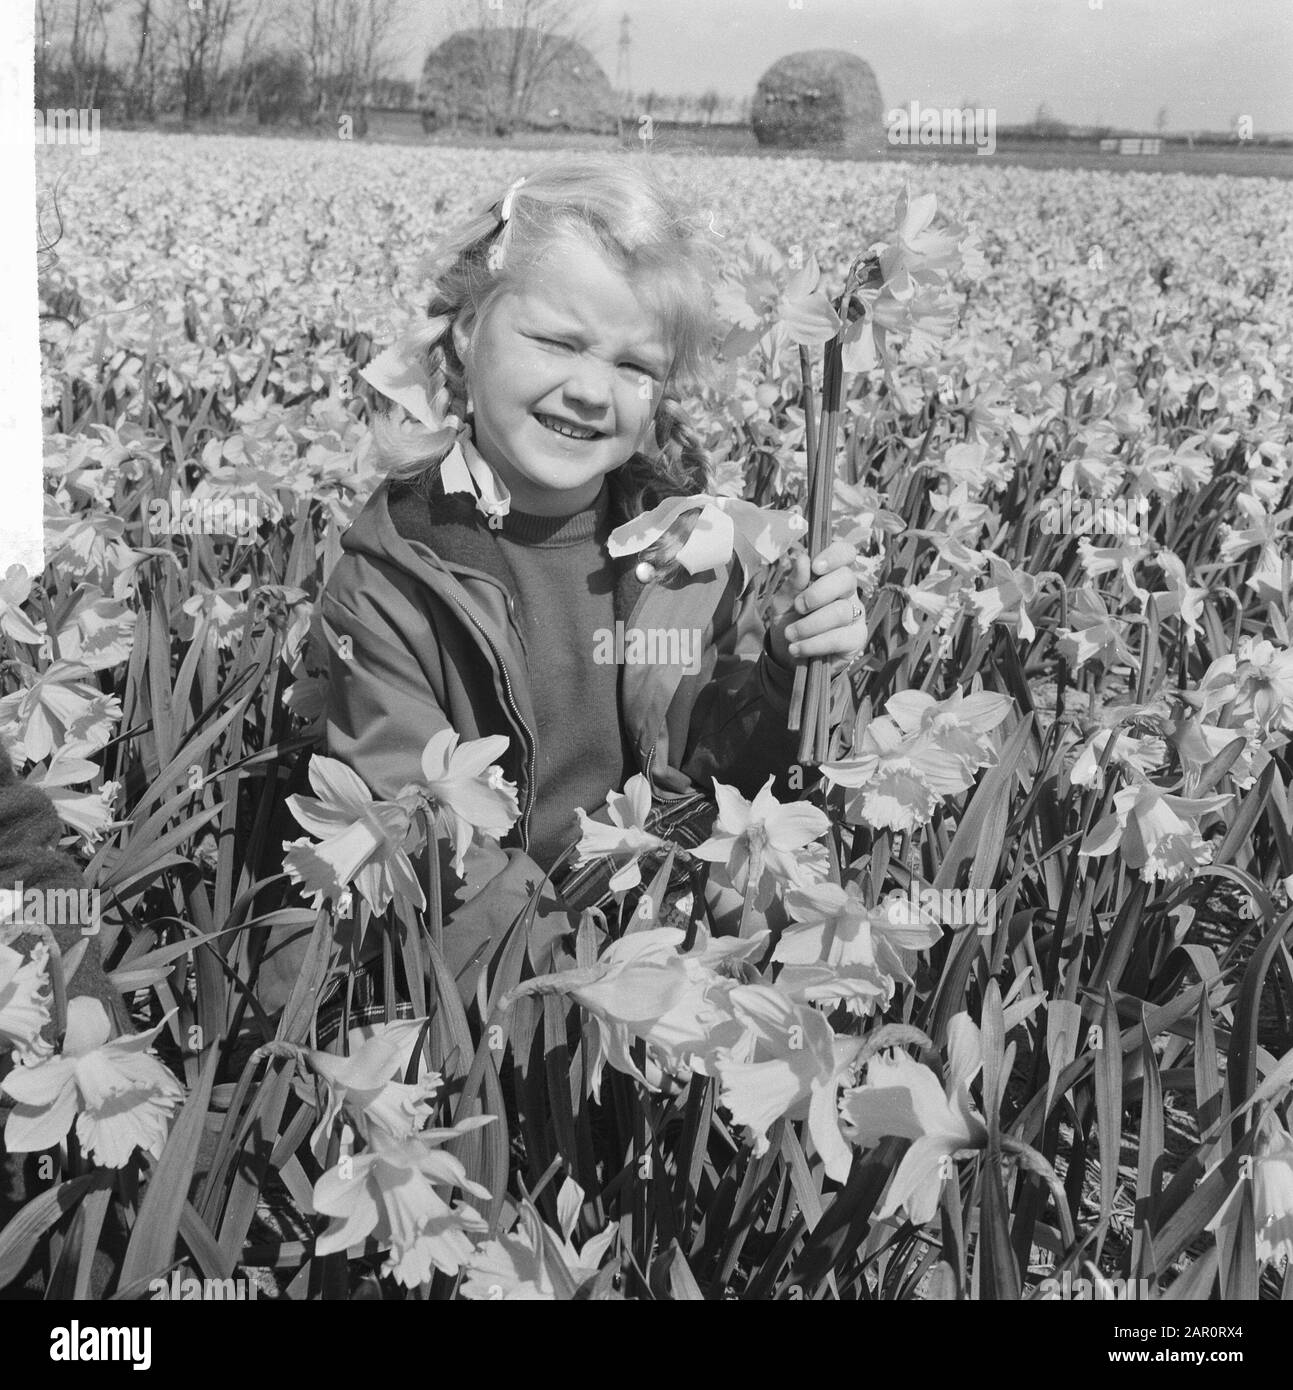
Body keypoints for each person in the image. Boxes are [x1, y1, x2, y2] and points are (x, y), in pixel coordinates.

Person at [261, 156, 866, 1013]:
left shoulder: (686, 550)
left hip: (641, 954)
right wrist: (596, 971)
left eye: (634, 367)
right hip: (468, 980)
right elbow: (421, 841)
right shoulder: (393, 577)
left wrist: (785, 673)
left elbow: (721, 784)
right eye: (555, 342)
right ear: (468, 333)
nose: (589, 391)